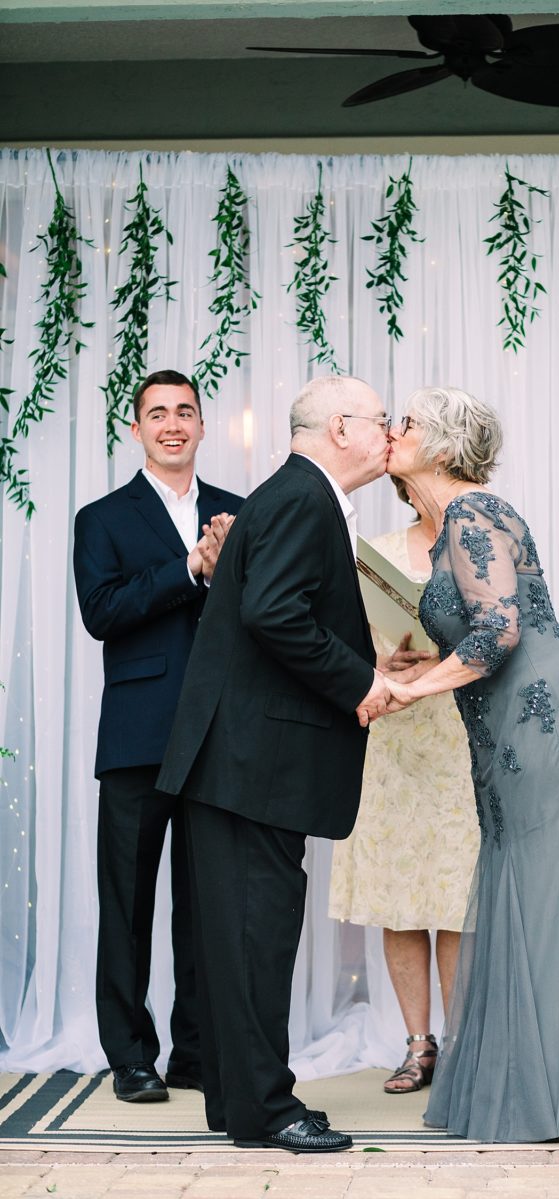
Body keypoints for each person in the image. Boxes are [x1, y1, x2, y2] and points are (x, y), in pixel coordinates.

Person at [374, 386, 559, 1143]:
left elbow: (500, 630)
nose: (390, 432)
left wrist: (407, 690)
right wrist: (416, 660)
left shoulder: (472, 513)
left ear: (442, 442)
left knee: (546, 886)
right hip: (505, 723)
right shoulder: (445, 527)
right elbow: (483, 623)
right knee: (525, 884)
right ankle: (550, 1086)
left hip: (545, 717)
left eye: (405, 423)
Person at [156, 376, 423, 1153]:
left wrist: (367, 656)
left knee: (239, 942)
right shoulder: (305, 498)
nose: (388, 431)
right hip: (252, 763)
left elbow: (278, 613)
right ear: (341, 427)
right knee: (255, 940)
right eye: (380, 419)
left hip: (241, 760)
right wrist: (362, 683)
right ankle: (268, 1109)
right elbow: (272, 612)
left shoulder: (289, 495)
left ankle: (241, 1099)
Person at [73, 369, 242, 1102]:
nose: (172, 423)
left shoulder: (242, 513)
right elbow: (103, 611)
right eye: (157, 413)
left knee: (208, 905)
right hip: (139, 736)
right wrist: (189, 567)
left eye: (186, 411)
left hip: (219, 736)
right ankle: (131, 1056)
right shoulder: (102, 518)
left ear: (203, 426)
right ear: (135, 428)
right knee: (128, 902)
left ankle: (197, 1053)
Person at [328, 478, 480, 1094]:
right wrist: (375, 665)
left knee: (455, 899)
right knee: (398, 894)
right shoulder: (376, 550)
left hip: (459, 730)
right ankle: (419, 1046)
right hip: (392, 730)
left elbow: (498, 634)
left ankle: (466, 1044)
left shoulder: (476, 545)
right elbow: (340, 635)